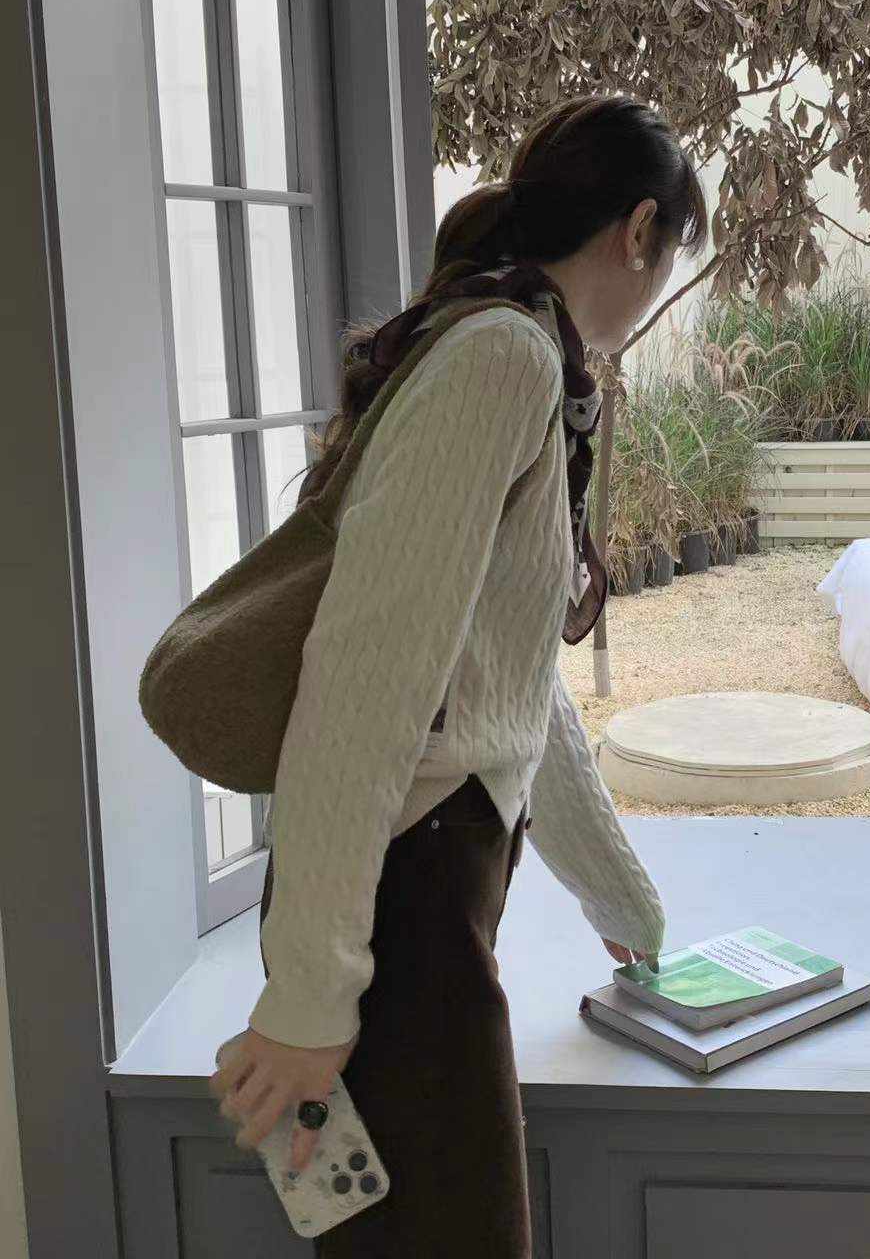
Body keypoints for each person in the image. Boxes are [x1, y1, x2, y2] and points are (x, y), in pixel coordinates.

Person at [210, 95, 706, 1256]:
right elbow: (363, 681)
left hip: (423, 891)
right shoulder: (502, 360)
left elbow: (510, 681)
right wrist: (311, 997)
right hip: (403, 902)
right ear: (639, 231)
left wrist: (621, 904)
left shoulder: (511, 351)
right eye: (673, 254)